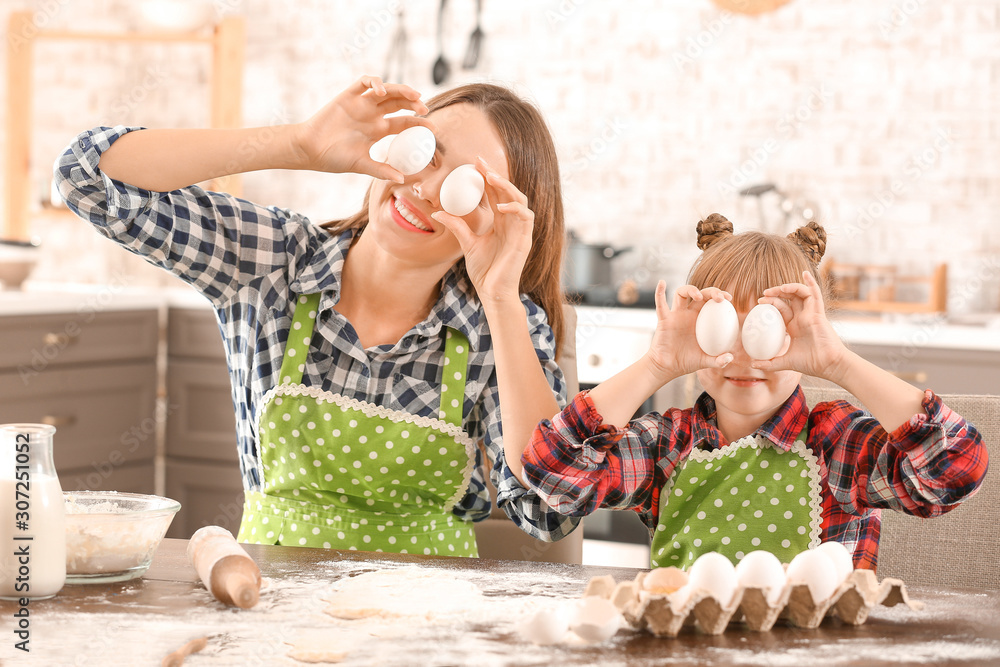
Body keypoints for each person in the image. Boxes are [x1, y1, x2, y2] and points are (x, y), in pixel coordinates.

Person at [55, 75, 580, 556]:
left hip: (424, 619)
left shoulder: (503, 323)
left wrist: (502, 301)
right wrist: (297, 144)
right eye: (427, 155)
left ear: (504, 221)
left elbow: (547, 508)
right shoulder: (272, 260)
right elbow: (86, 176)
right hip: (272, 604)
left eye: (465, 187)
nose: (423, 190)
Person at [521, 214, 988, 570]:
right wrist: (655, 366)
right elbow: (550, 472)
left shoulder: (835, 445)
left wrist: (838, 362)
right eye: (726, 330)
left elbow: (954, 470)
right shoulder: (667, 446)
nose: (744, 357)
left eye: (766, 328)